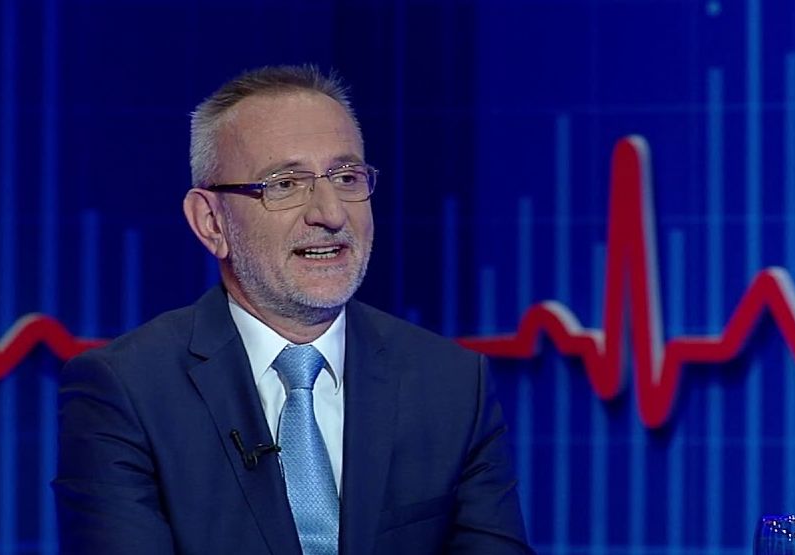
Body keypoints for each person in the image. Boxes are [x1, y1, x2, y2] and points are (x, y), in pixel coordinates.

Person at [53, 65, 531, 555]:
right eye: (283, 184)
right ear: (211, 222)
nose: (331, 213)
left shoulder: (453, 384)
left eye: (347, 177)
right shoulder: (125, 392)